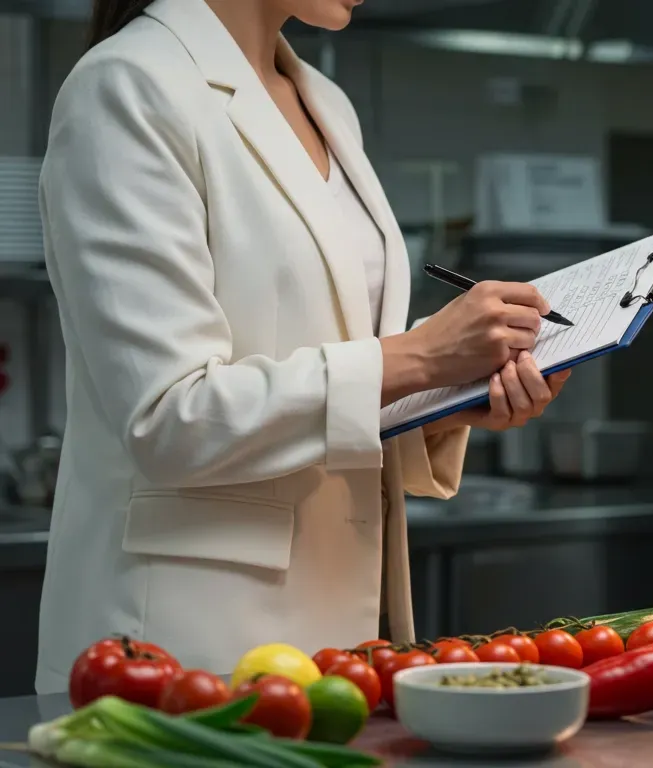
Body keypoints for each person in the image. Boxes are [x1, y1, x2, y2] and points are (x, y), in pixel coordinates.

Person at [33, 0, 570, 694]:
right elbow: (168, 416)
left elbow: (326, 377)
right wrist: (420, 357)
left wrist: (443, 401)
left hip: (346, 640)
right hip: (187, 647)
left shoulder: (327, 102)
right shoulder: (126, 85)